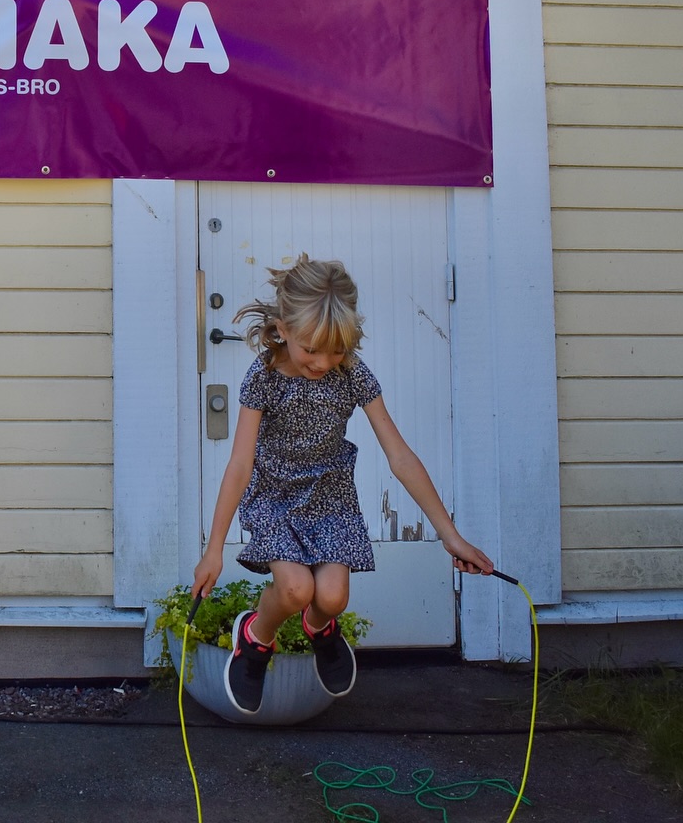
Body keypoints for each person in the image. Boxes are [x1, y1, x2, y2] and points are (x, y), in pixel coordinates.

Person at [191, 254, 493, 714]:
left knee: (331, 597)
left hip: (331, 497)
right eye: (311, 349)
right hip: (275, 496)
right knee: (295, 590)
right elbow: (239, 464)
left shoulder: (351, 374)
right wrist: (214, 548)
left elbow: (400, 456)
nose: (323, 362)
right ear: (282, 329)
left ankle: (321, 630)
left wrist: (450, 535)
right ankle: (255, 638)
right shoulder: (264, 378)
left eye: (336, 350)